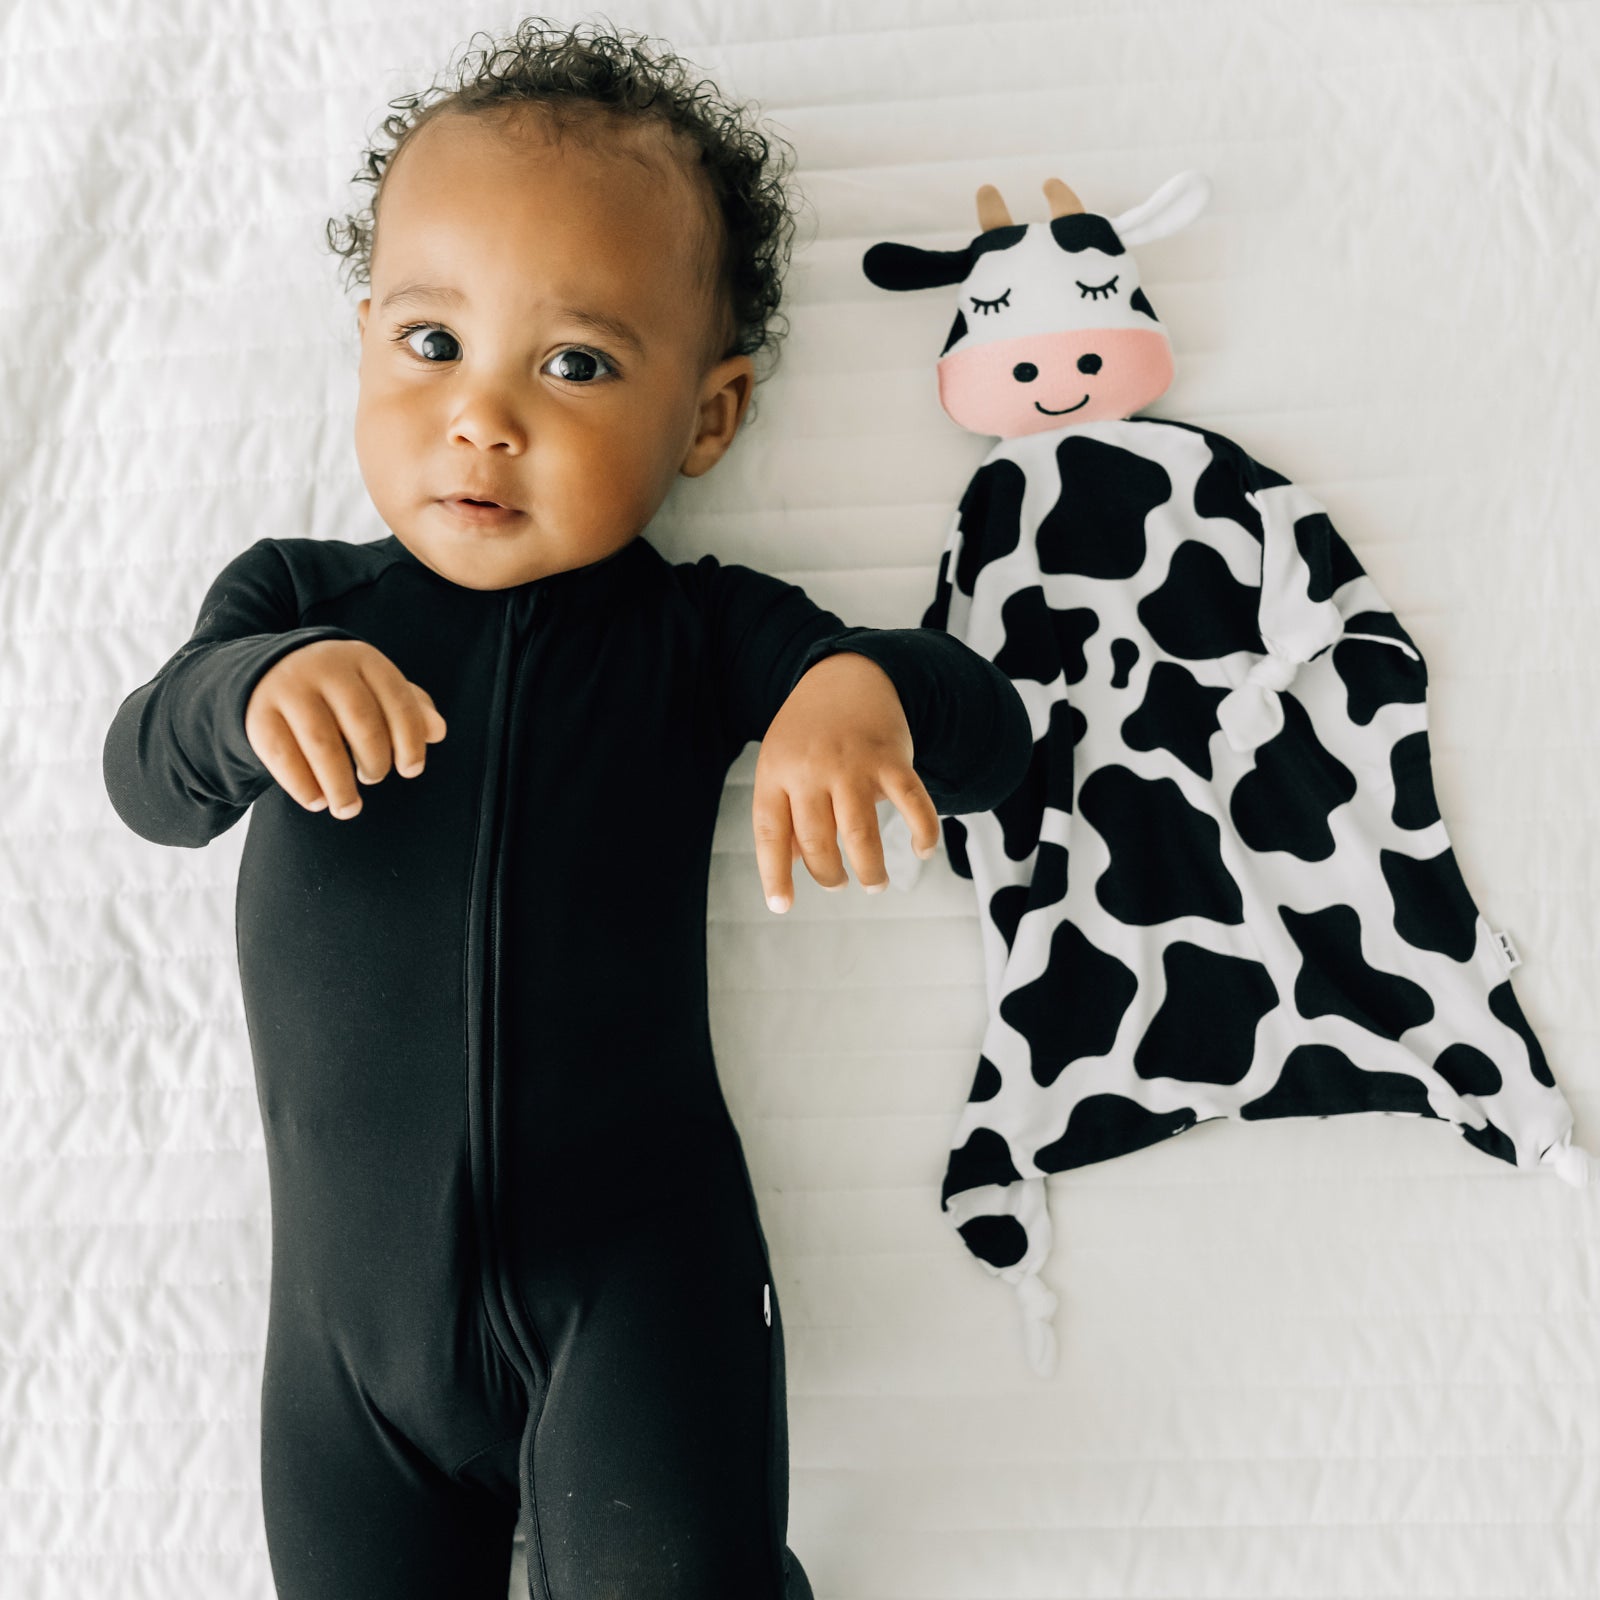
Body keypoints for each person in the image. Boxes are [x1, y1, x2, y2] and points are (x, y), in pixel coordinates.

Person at [101, 17, 1032, 1600]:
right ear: (364, 340)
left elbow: (992, 736)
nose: (483, 416)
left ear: (708, 420)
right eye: (431, 341)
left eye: (577, 363)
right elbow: (147, 782)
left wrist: (857, 692)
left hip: (638, 1295)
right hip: (347, 1349)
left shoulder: (698, 635)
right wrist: (242, 696)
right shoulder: (293, 608)